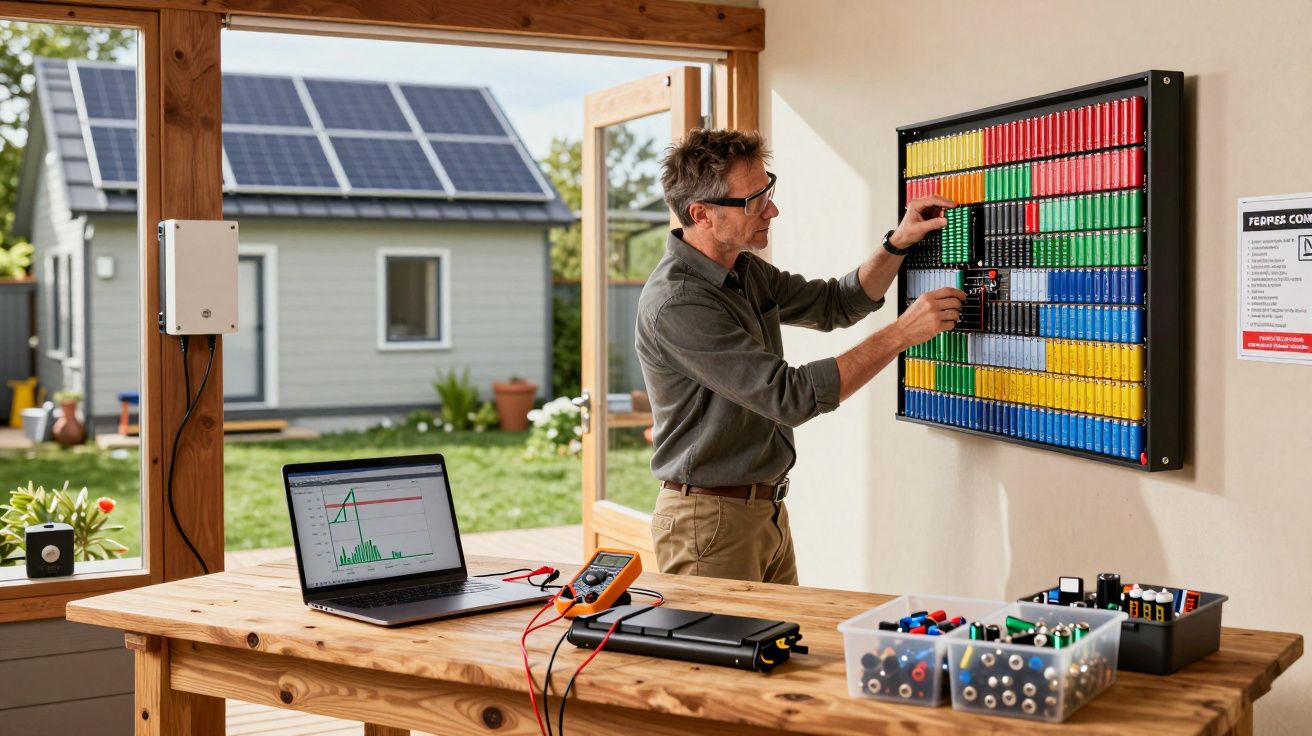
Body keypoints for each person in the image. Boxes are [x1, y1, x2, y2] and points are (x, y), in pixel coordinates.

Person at [635, 129, 965, 584]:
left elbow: (835, 304)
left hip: (764, 512)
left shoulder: (744, 270)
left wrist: (898, 244)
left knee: (781, 634)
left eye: (767, 192)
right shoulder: (679, 304)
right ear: (701, 214)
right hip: (709, 524)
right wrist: (902, 333)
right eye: (753, 202)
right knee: (718, 637)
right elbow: (790, 397)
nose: (771, 210)